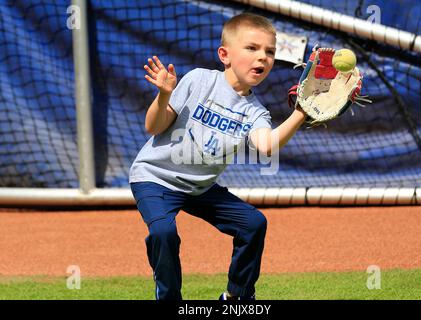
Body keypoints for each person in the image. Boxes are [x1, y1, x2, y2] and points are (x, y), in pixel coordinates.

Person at [129, 12, 306, 300]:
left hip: (199, 188)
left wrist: (300, 113)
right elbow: (153, 127)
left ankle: (236, 298)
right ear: (225, 55)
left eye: (270, 52)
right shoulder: (198, 80)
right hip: (155, 178)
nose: (263, 57)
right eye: (252, 48)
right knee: (163, 232)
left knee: (253, 224)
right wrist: (163, 95)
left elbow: (267, 145)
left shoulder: (255, 111)